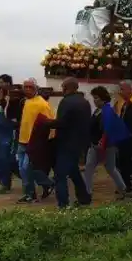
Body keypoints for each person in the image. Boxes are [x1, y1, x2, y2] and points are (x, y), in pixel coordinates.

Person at [44, 77, 93, 208]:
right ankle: (84, 198)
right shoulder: (85, 102)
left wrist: (46, 123)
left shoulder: (66, 102)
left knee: (60, 174)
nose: (62, 89)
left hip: (66, 142)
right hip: (80, 143)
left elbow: (62, 123)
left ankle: (63, 204)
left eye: (63, 87)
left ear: (67, 88)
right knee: (73, 172)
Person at [15, 78, 55, 203]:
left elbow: (49, 122)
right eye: (25, 87)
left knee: (27, 168)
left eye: (30, 87)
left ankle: (39, 188)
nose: (27, 89)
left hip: (32, 143)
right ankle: (33, 191)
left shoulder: (42, 104)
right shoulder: (25, 102)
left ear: (36, 89)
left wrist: (45, 141)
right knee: (22, 169)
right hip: (22, 140)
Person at [85, 86, 128, 199]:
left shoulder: (106, 111)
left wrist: (102, 141)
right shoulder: (99, 110)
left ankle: (122, 188)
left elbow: (107, 128)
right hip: (100, 144)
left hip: (103, 144)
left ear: (103, 99)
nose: (95, 100)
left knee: (104, 167)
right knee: (103, 167)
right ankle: (87, 191)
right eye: (94, 98)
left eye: (97, 98)